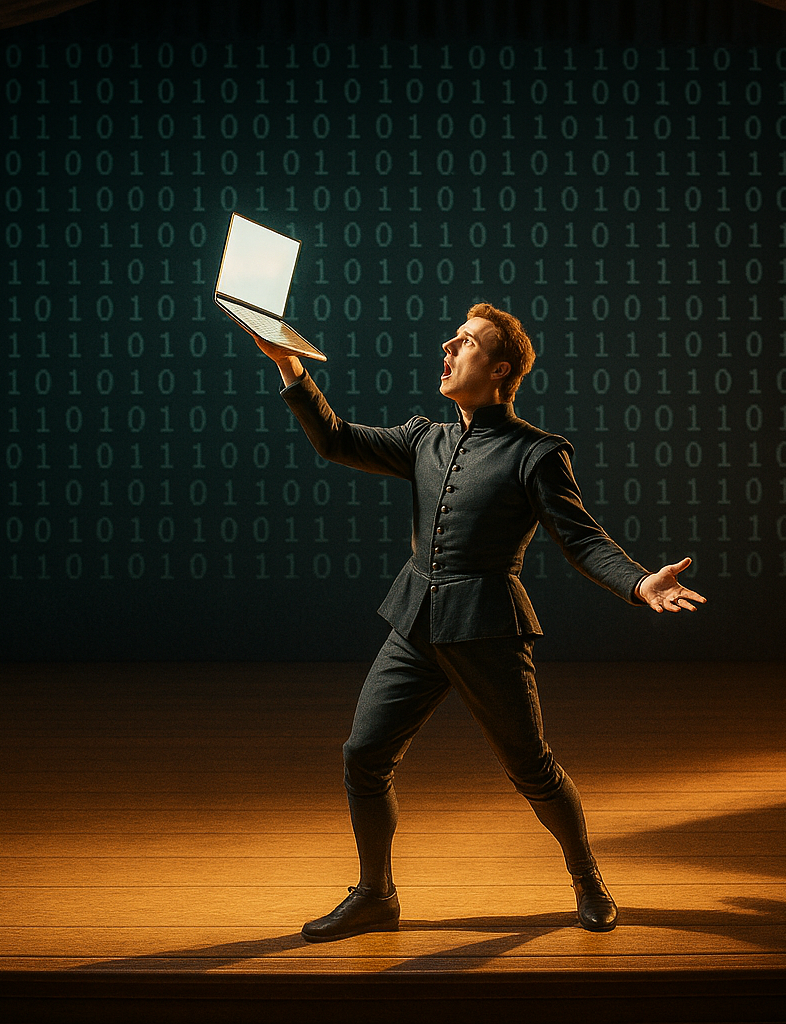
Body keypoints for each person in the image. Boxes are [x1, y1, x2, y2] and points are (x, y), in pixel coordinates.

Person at [254, 302, 706, 941]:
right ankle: (376, 896)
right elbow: (334, 439)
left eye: (463, 342)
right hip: (416, 626)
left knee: (533, 769)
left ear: (498, 370)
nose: (447, 347)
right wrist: (289, 365)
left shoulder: (537, 454)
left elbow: (582, 541)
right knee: (364, 754)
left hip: (487, 633)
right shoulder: (424, 440)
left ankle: (587, 880)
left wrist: (638, 581)